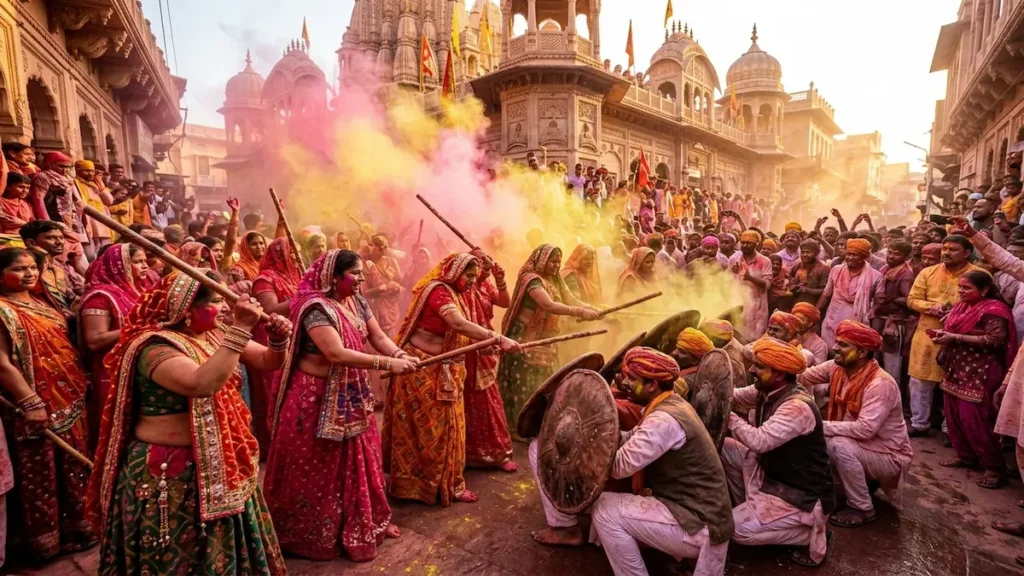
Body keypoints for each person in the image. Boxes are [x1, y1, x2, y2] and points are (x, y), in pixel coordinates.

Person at [86, 271, 291, 574]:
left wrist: (278, 340)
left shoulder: (213, 334)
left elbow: (267, 362)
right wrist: (243, 326)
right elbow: (201, 384)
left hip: (221, 462)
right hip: (170, 470)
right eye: (217, 301)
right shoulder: (154, 348)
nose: (226, 308)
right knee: (176, 554)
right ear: (185, 309)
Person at [529, 347, 732, 576]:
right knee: (606, 504)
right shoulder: (669, 405)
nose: (624, 381)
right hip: (695, 514)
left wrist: (585, 453)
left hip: (700, 525)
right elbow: (629, 437)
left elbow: (618, 467)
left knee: (605, 509)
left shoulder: (663, 420)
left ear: (652, 385)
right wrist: (597, 434)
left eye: (632, 378)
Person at [264, 250, 410, 560]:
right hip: (314, 398)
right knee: (318, 463)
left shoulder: (356, 300)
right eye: (355, 273)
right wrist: (385, 362)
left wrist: (398, 354)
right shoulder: (317, 309)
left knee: (360, 456)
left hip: (351, 392)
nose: (362, 278)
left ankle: (364, 521)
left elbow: (377, 335)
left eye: (361, 273)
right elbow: (336, 354)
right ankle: (310, 532)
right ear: (334, 278)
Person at [384, 253, 519, 506]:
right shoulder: (439, 290)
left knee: (449, 429)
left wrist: (488, 345)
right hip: (420, 369)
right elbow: (457, 324)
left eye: (474, 276)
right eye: (468, 275)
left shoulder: (460, 293)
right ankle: (418, 485)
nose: (471, 280)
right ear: (454, 272)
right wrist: (498, 339)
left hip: (444, 369)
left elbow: (473, 323)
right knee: (433, 431)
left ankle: (445, 484)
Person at [0, 248, 94, 560]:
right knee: (40, 469)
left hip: (69, 396)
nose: (29, 273)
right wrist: (30, 401)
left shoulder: (43, 302)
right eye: (19, 268)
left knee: (73, 464)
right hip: (36, 402)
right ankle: (43, 541)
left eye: (32, 267)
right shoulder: (3, 310)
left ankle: (78, 529)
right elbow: (2, 363)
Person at [722, 337, 835, 567]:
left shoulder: (796, 406)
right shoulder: (767, 389)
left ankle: (808, 535)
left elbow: (760, 441)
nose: (751, 370)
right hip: (774, 476)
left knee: (735, 530)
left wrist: (729, 417)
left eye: (759, 367)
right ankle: (755, 511)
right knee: (726, 448)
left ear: (779, 375)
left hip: (800, 493)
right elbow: (733, 395)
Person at [798, 321, 913, 528]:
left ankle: (862, 508)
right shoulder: (837, 368)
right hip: (864, 446)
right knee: (823, 438)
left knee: (837, 445)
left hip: (889, 454)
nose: (835, 348)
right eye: (837, 343)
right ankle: (865, 483)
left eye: (843, 345)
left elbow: (864, 429)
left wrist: (815, 424)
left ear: (861, 352)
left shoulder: (880, 384)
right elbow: (803, 376)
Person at [497, 245, 600, 430]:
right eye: (552, 262)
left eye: (558, 262)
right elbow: (548, 305)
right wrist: (580, 312)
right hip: (525, 339)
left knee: (544, 382)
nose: (556, 266)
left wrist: (591, 309)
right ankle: (517, 427)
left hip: (545, 339)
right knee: (524, 384)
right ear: (542, 260)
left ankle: (535, 426)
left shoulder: (555, 278)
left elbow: (570, 299)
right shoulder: (532, 280)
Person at [929, 270, 1015, 489]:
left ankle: (994, 468)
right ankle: (966, 456)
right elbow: (954, 327)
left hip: (981, 372)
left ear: (984, 290)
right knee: (954, 415)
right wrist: (943, 334)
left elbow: (995, 339)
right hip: (956, 368)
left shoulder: (995, 310)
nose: (961, 291)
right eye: (960, 287)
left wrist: (955, 337)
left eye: (966, 288)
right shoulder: (961, 306)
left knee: (975, 419)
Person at [906, 235, 983, 436]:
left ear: (967, 253)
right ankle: (919, 423)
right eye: (945, 249)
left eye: (953, 249)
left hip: (962, 338)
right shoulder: (927, 272)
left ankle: (951, 430)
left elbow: (987, 305)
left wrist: (960, 312)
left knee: (955, 384)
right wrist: (934, 308)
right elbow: (912, 300)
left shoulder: (979, 275)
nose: (946, 253)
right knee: (920, 380)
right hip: (927, 335)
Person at [77, 244, 147, 452]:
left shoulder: (135, 290)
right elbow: (95, 340)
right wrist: (141, 327)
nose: (145, 266)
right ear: (119, 265)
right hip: (111, 372)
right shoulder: (100, 297)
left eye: (144, 261)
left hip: (136, 368)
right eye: (137, 262)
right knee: (117, 432)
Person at [463, 249, 517, 472]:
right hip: (468, 346)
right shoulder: (465, 287)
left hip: (488, 344)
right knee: (470, 398)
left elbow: (505, 303)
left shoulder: (485, 286)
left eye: (487, 264)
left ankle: (495, 453)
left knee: (488, 397)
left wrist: (501, 281)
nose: (485, 268)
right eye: (481, 265)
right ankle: (467, 453)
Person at [251, 237, 303, 451]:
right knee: (274, 389)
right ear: (279, 254)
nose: (296, 257)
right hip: (272, 338)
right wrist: (302, 298)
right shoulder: (265, 279)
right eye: (292, 252)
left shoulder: (297, 275)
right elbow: (269, 310)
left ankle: (292, 442)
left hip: (294, 336)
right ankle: (273, 445)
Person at [818, 238, 882, 348]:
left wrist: (874, 313)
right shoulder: (836, 270)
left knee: (850, 356)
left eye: (855, 255)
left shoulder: (876, 276)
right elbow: (826, 294)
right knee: (830, 353)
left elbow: (878, 301)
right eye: (848, 254)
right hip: (832, 321)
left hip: (857, 324)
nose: (850, 258)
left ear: (864, 257)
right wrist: (815, 313)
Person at [872, 240, 917, 388]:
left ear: (906, 256)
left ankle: (893, 395)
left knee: (892, 365)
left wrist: (891, 299)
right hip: (881, 321)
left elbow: (910, 299)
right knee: (877, 360)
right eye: (890, 252)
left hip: (894, 324)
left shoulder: (906, 274)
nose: (891, 256)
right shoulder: (885, 268)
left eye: (896, 254)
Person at [19, 220, 84, 314]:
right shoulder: (25, 266)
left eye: (61, 238)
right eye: (51, 238)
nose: (59, 242)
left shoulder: (60, 268)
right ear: (32, 242)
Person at [729, 231, 773, 338]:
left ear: (756, 244)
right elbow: (727, 283)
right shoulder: (734, 259)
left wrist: (750, 278)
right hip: (738, 307)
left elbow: (767, 285)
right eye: (743, 243)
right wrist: (731, 272)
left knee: (755, 340)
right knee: (737, 337)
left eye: (748, 243)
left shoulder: (765, 261)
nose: (744, 245)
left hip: (758, 308)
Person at [363, 233, 404, 338]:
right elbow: (364, 293)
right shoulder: (365, 265)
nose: (380, 249)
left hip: (393, 306)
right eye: (371, 245)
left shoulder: (391, 261)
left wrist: (395, 286)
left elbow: (400, 282)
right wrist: (383, 288)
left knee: (396, 337)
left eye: (383, 247)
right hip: (376, 309)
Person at [74, 160, 113, 260]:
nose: (91, 174)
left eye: (92, 171)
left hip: (102, 222)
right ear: (77, 170)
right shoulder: (75, 183)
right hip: (87, 220)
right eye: (86, 171)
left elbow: (109, 201)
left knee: (104, 252)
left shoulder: (95, 185)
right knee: (90, 255)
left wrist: (100, 184)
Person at [789, 239, 830, 307]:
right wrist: (793, 286)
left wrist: (806, 290)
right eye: (803, 252)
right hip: (796, 304)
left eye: (808, 252)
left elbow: (825, 291)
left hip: (815, 306)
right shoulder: (797, 266)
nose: (804, 255)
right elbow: (791, 280)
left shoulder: (824, 269)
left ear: (816, 254)